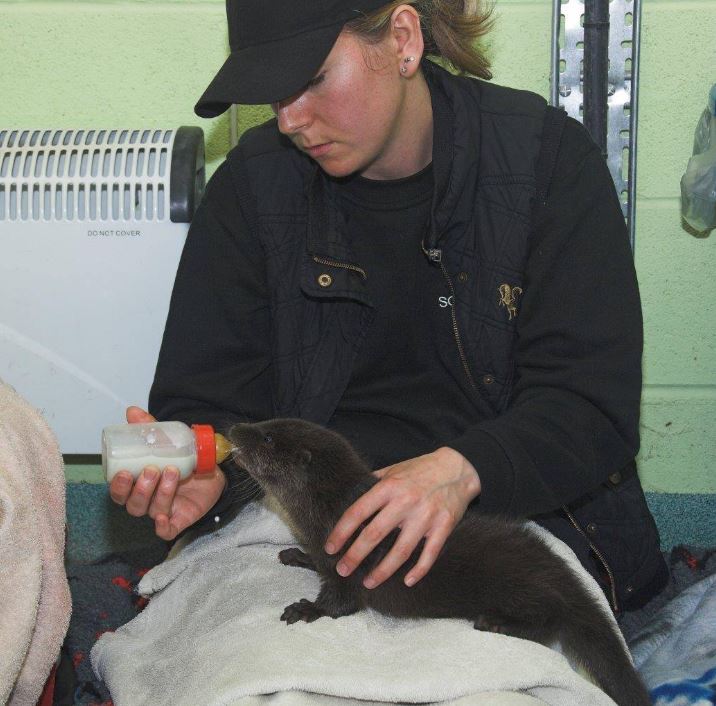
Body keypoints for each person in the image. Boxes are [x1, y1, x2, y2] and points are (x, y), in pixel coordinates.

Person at [110, 0, 668, 614]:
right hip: (303, 533)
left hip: (514, 521)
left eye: (313, 80)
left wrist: (462, 470)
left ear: (403, 39)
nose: (291, 119)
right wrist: (209, 483)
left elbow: (591, 407)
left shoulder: (545, 163)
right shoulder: (251, 189)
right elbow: (205, 406)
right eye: (273, 95)